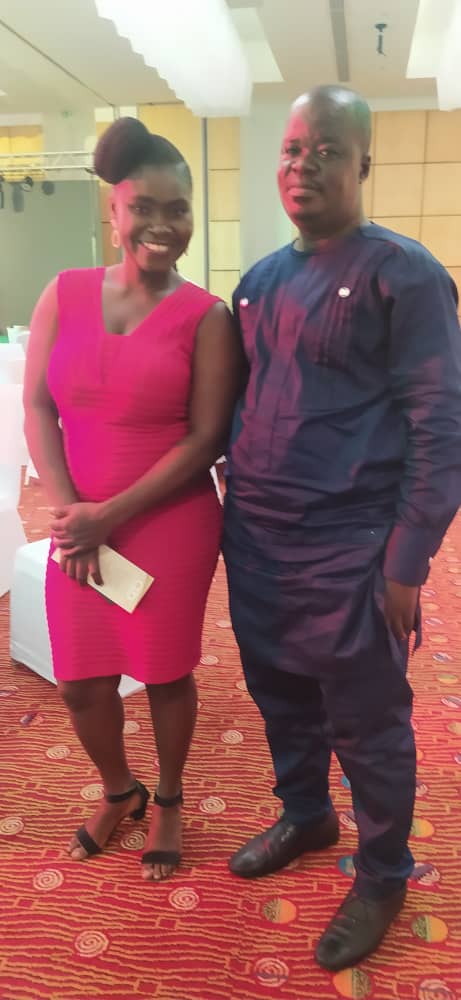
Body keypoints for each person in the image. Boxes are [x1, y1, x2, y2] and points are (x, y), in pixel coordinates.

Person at [223, 85, 461, 970]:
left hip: (354, 550)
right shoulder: (257, 283)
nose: (304, 165)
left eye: (326, 150)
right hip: (258, 541)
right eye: (292, 149)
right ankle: (306, 814)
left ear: (363, 163)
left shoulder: (405, 275)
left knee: (366, 722)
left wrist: (406, 563)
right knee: (279, 695)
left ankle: (384, 872)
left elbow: (441, 429)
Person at [23, 118, 242, 881]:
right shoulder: (64, 293)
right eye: (143, 207)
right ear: (112, 211)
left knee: (164, 672)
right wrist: (69, 513)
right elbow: (37, 407)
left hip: (169, 521)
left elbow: (206, 439)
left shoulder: (207, 316)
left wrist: (106, 517)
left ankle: (171, 798)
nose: (161, 224)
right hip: (77, 520)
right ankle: (122, 790)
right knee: (80, 682)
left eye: (177, 209)